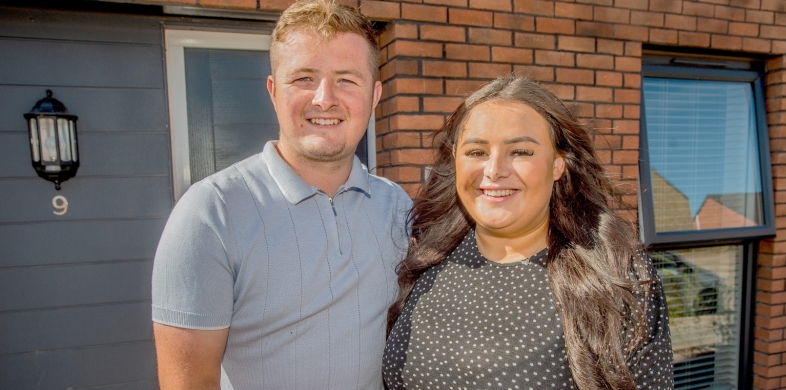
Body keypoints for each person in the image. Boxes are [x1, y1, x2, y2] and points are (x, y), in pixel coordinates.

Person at [151, 1, 412, 388]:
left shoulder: (397, 207)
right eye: (304, 78)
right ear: (274, 91)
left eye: (346, 79)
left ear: (374, 96)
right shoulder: (211, 212)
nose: (325, 98)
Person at [383, 76, 673, 389]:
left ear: (557, 164)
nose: (494, 170)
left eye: (520, 151)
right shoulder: (428, 259)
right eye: (477, 152)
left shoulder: (618, 280)